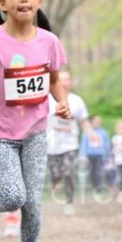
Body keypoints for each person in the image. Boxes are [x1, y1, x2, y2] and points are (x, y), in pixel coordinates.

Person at [0, 0, 71, 242]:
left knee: (32, 203)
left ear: (38, 0)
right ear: (2, 4)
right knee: (13, 195)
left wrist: (61, 102)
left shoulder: (49, 41)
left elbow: (53, 80)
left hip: (36, 133)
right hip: (0, 135)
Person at [46, 70, 92, 215]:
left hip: (70, 144)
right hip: (51, 145)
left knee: (68, 170)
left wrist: (91, 135)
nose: (64, 83)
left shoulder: (77, 101)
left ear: (70, 82)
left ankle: (69, 202)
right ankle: (54, 180)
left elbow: (84, 121)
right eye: (61, 79)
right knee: (56, 174)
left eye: (67, 79)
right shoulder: (47, 100)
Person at [79, 114, 111, 193]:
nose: (98, 122)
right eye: (96, 120)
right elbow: (83, 144)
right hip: (90, 155)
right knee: (92, 172)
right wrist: (82, 155)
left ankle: (99, 188)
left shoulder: (103, 132)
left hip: (100, 155)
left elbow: (107, 144)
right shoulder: (87, 132)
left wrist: (107, 154)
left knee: (99, 172)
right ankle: (94, 187)